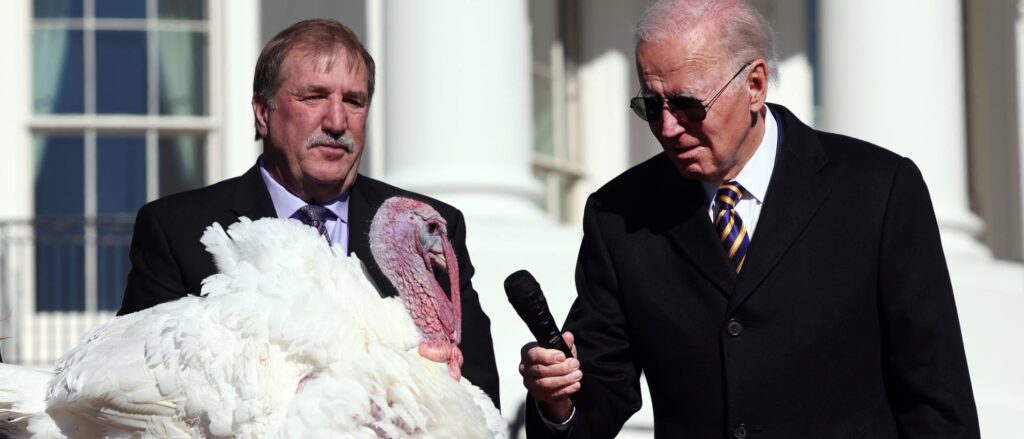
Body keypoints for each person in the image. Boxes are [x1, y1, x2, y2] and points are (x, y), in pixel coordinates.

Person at [520, 0, 979, 437]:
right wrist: (556, 400)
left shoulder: (878, 190)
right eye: (651, 107)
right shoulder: (619, 214)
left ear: (755, 84)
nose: (667, 128)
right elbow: (596, 398)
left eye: (687, 105)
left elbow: (936, 397)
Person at [117, 19, 499, 406]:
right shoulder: (176, 230)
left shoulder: (423, 229)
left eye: (354, 101)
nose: (336, 122)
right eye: (314, 97)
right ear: (262, 113)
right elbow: (138, 398)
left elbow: (481, 400)